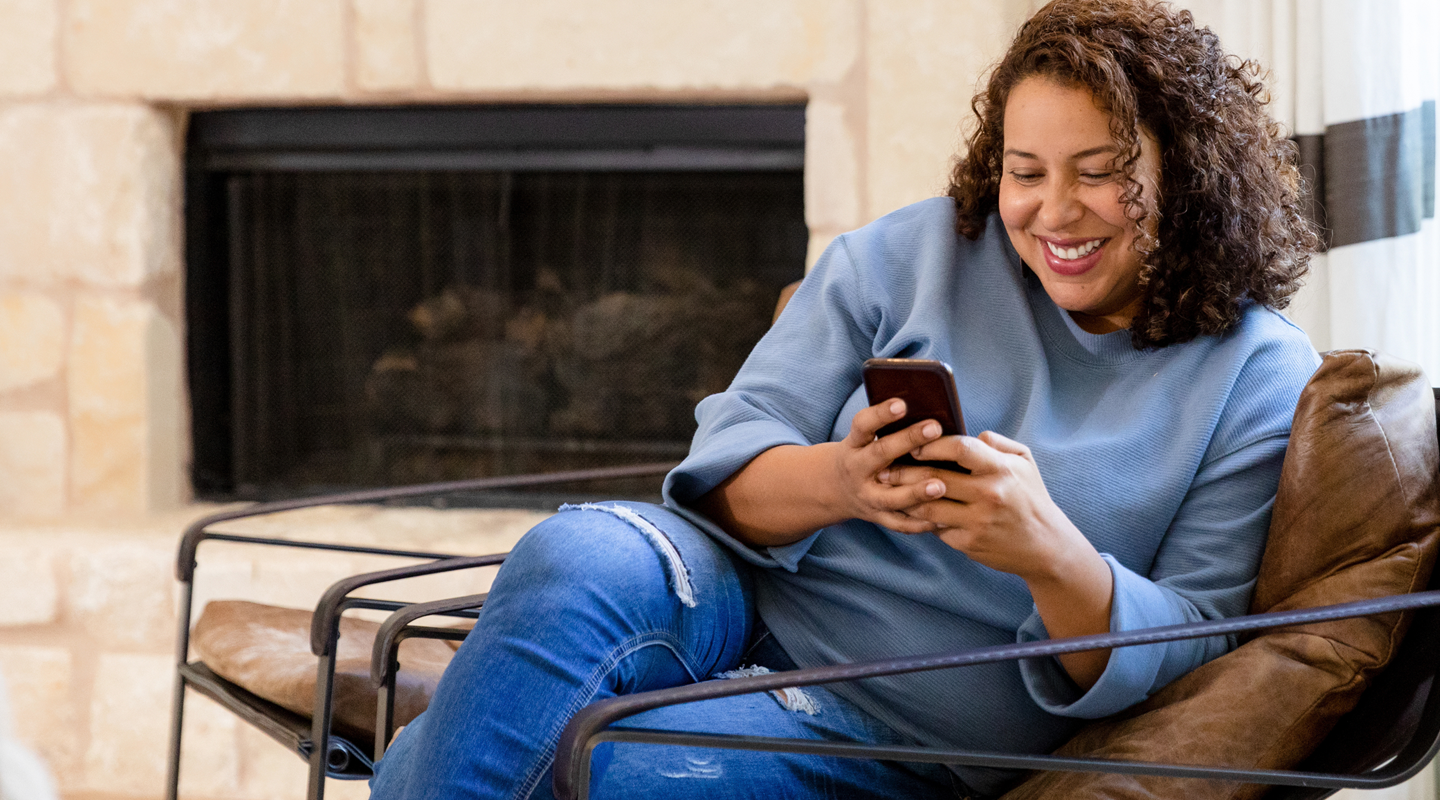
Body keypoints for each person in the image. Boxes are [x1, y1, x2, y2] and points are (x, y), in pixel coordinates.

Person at [369, 1, 1322, 797]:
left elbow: (1191, 646)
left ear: (1187, 176)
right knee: (570, 549)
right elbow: (732, 454)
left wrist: (1049, 552)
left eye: (1103, 174)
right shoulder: (913, 255)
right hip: (749, 596)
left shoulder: (1255, 376)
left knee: (588, 772)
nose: (1053, 212)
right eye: (1024, 173)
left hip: (910, 716)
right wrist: (847, 481)